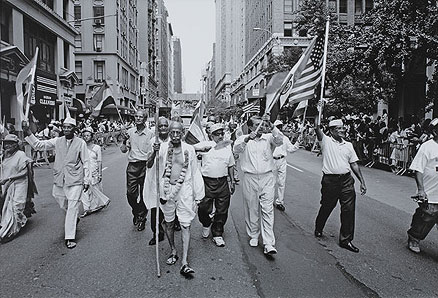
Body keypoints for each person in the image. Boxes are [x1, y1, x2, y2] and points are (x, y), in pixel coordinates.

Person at [23, 117, 90, 249]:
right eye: (64, 127)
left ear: (74, 129)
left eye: (69, 127)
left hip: (75, 179)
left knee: (72, 207)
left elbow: (86, 162)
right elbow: (39, 145)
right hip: (60, 178)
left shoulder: (80, 143)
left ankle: (70, 237)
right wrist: (28, 131)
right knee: (62, 203)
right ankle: (73, 218)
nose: (66, 129)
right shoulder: (57, 141)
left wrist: (87, 180)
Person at [149, 121, 204, 276]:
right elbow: (148, 165)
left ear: (182, 132)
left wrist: (198, 195)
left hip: (185, 189)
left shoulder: (189, 149)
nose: (174, 135)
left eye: (177, 132)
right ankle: (173, 250)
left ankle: (185, 261)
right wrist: (154, 152)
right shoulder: (162, 147)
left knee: (186, 224)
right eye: (172, 132)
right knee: (168, 223)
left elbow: (195, 172)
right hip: (166, 189)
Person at [314, 118, 367, 253]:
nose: (343, 130)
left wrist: (362, 181)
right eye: (339, 128)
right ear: (331, 131)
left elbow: (354, 163)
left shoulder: (348, 145)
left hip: (346, 181)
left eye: (343, 128)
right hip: (330, 181)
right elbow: (317, 128)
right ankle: (319, 227)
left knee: (348, 210)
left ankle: (346, 240)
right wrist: (318, 111)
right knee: (327, 206)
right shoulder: (325, 141)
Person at [233, 114, 283, 255]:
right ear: (250, 127)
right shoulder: (243, 139)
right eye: (257, 125)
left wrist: (272, 126)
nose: (261, 128)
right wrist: (248, 138)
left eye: (263, 125)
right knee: (252, 208)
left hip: (267, 177)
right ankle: (254, 234)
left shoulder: (268, 138)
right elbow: (236, 149)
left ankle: (268, 243)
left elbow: (280, 140)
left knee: (267, 209)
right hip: (250, 178)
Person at [194, 123, 236, 247]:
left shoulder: (227, 147)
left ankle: (217, 233)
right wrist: (199, 150)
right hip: (206, 182)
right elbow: (188, 148)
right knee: (203, 208)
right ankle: (206, 224)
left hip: (222, 182)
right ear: (211, 135)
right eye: (217, 134)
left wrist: (232, 181)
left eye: (222, 134)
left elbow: (231, 165)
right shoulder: (204, 145)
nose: (220, 136)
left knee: (222, 210)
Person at [406, 118, 438, 253]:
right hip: (430, 192)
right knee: (428, 215)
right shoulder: (427, 146)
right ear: (435, 131)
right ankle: (414, 237)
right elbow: (418, 169)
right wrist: (421, 189)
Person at [120, 110, 154, 231]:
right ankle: (136, 211)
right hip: (132, 166)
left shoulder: (150, 134)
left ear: (145, 119)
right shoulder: (129, 132)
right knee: (131, 194)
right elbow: (123, 150)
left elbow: (152, 152)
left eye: (141, 117)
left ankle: (142, 218)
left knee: (144, 194)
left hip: (145, 166)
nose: (138, 118)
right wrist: (124, 140)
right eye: (137, 116)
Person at [0, 134, 36, 242]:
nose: (8, 146)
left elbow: (24, 172)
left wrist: (9, 178)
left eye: (11, 143)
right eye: (6, 143)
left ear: (16, 145)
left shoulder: (21, 155)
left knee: (16, 207)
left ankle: (11, 232)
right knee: (6, 207)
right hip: (6, 184)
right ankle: (7, 228)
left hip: (19, 183)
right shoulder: (3, 155)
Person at [144, 117, 168, 245]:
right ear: (157, 128)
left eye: (165, 125)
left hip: (169, 180)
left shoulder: (174, 140)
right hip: (155, 179)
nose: (163, 128)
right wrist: (154, 151)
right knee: (155, 207)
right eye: (161, 126)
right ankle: (157, 233)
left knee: (169, 207)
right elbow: (148, 164)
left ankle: (171, 227)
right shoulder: (153, 141)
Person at [80, 127, 110, 217]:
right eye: (84, 136)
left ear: (92, 136)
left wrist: (100, 173)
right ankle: (86, 208)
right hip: (84, 171)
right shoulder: (81, 147)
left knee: (95, 189)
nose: (86, 137)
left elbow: (99, 161)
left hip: (94, 170)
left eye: (88, 135)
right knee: (84, 190)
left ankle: (96, 205)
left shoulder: (96, 147)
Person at [272, 120, 300, 211]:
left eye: (280, 126)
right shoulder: (270, 138)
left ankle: (279, 201)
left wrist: (298, 142)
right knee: (271, 182)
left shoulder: (285, 138)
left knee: (281, 183)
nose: (279, 128)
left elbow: (291, 149)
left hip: (282, 161)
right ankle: (268, 200)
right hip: (272, 161)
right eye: (277, 127)